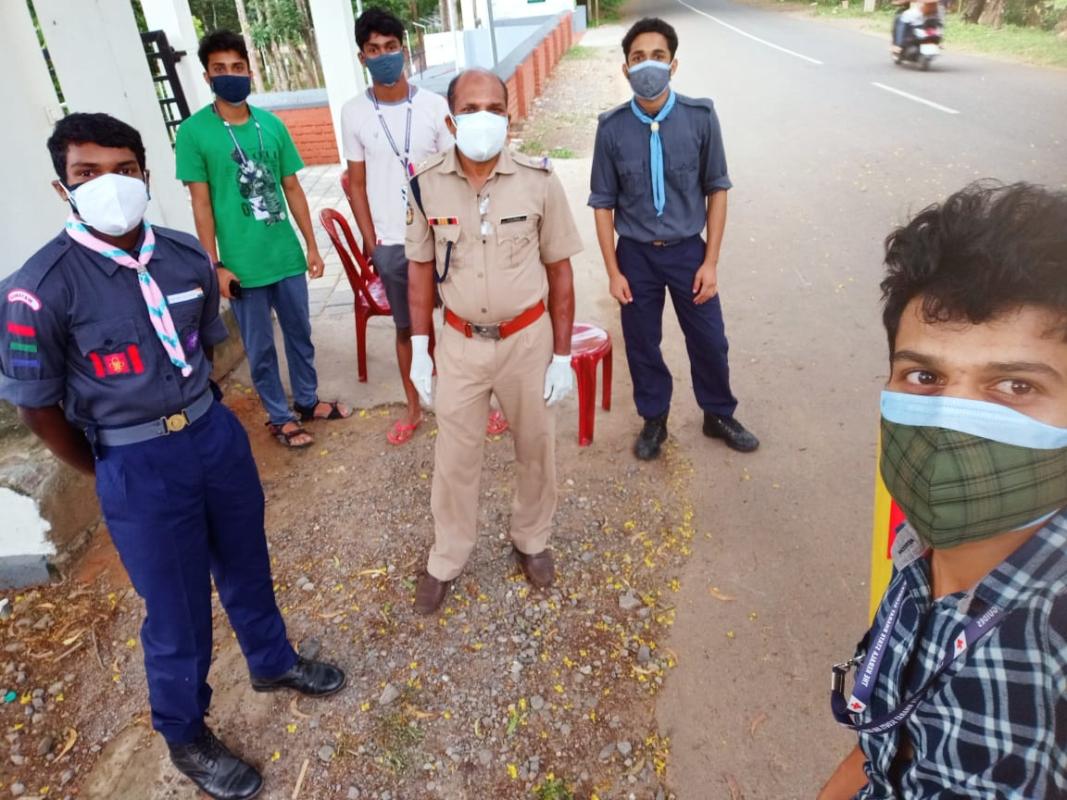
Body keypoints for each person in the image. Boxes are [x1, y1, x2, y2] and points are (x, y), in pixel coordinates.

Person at [0, 113, 345, 800]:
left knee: (247, 559)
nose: (110, 186)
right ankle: (186, 733)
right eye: (87, 175)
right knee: (177, 608)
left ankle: (271, 661)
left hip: (213, 437)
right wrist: (108, 467)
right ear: (60, 187)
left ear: (146, 173)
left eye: (124, 170)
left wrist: (205, 421)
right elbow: (38, 410)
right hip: (135, 462)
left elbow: (204, 344)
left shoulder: (187, 256)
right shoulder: (37, 288)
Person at [819, 182, 1067, 799]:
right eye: (924, 375)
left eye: (1014, 387)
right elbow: (879, 748)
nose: (950, 423)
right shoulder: (914, 552)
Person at [405, 69, 581, 614]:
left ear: (509, 115)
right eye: (472, 107)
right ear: (451, 119)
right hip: (459, 342)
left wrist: (562, 354)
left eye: (495, 108)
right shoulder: (424, 183)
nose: (485, 117)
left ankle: (532, 539)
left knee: (536, 448)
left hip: (527, 339)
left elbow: (560, 272)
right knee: (454, 457)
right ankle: (448, 556)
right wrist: (419, 350)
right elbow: (417, 272)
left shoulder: (539, 179)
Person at [589, 17, 758, 461]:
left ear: (674, 64)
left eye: (658, 57)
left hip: (688, 252)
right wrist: (613, 271)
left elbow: (717, 188)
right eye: (638, 58)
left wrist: (711, 262)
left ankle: (717, 412)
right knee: (642, 342)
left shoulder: (700, 118)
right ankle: (654, 418)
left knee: (709, 339)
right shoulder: (611, 129)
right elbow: (602, 204)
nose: (649, 65)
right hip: (636, 257)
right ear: (625, 69)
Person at [176, 30, 351, 449]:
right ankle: (279, 416)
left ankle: (307, 402)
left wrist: (311, 245)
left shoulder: (271, 125)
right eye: (220, 69)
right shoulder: (193, 132)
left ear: (249, 71)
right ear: (207, 76)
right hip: (242, 265)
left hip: (285, 256)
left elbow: (291, 187)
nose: (231, 75)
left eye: (238, 67)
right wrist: (214, 264)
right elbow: (201, 205)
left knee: (300, 334)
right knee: (260, 347)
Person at [341, 9, 508, 444]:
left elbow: (461, 167)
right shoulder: (354, 112)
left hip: (446, 235)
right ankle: (415, 407)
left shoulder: (435, 106)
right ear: (363, 57)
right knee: (407, 328)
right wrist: (371, 241)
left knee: (467, 321)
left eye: (391, 47)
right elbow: (356, 183)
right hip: (394, 243)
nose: (384, 57)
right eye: (374, 50)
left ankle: (482, 403)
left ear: (404, 50)